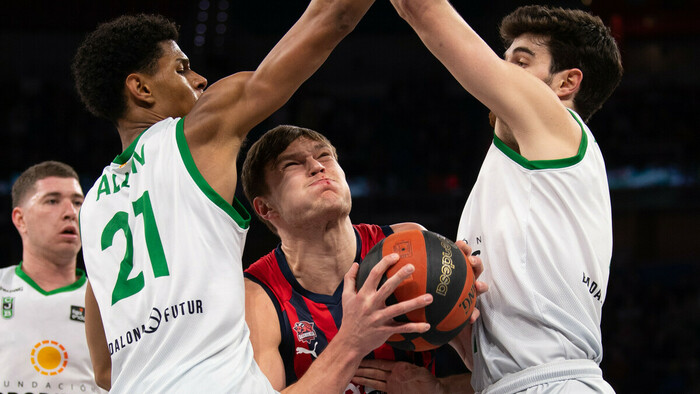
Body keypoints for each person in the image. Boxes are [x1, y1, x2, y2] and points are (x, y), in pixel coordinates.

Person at [72, 5, 433, 393]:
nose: (199, 78)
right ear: (141, 89)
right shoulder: (196, 134)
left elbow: (105, 371)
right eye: (180, 68)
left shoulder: (92, 208)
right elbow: (332, 18)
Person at [388, 2, 623, 393]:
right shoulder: (518, 179)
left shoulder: (558, 125)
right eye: (503, 59)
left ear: (566, 84)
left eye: (521, 61)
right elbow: (517, 366)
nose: (500, 70)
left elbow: (422, 8)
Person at [241, 125, 485, 393]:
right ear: (265, 208)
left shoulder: (410, 245)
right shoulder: (257, 294)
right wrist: (353, 340)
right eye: (291, 164)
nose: (317, 166)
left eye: (324, 156)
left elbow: (500, 375)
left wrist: (442, 388)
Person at [1, 161, 105, 393]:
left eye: (78, 202)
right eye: (52, 201)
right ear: (20, 219)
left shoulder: (109, 299)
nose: (71, 213)